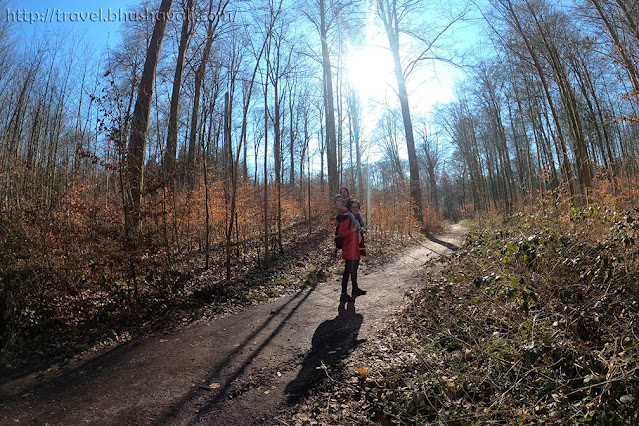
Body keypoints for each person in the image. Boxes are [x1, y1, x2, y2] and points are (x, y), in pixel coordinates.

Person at [338, 200, 367, 301]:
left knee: (354, 270)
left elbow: (358, 232)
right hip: (349, 249)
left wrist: (360, 230)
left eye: (357, 207)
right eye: (353, 207)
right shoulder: (347, 218)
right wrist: (352, 230)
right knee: (347, 271)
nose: (355, 209)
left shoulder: (357, 218)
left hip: (356, 248)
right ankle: (343, 293)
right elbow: (341, 233)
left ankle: (355, 289)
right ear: (350, 208)